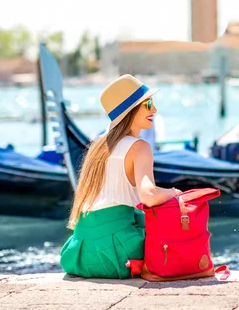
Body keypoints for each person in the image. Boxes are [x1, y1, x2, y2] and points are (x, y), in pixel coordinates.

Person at [60, 74, 181, 279]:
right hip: (119, 256)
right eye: (148, 104)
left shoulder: (97, 145)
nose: (154, 110)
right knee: (177, 245)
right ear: (131, 110)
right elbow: (149, 196)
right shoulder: (139, 147)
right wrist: (174, 193)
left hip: (78, 255)